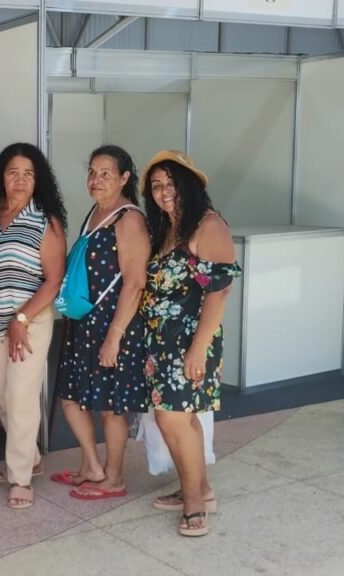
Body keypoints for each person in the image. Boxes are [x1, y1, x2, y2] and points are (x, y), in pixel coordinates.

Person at [0, 142, 67, 509]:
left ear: (38, 180)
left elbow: (53, 280)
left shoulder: (46, 221)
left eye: (28, 174)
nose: (20, 180)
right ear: (1, 177)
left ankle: (20, 478)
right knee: (4, 396)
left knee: (21, 396)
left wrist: (22, 319)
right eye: (13, 172)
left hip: (29, 322)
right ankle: (29, 458)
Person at [140, 150, 241, 537]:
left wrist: (198, 348)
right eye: (156, 185)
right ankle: (199, 490)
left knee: (171, 418)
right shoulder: (169, 229)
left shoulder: (207, 224)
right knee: (183, 418)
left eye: (171, 182)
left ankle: (194, 504)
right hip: (161, 343)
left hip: (190, 341)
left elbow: (220, 289)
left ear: (190, 185)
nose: (164, 191)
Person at [53, 145, 150, 500]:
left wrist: (115, 336)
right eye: (92, 172)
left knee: (110, 407)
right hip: (85, 323)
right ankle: (91, 467)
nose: (96, 180)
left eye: (105, 173)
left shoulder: (129, 219)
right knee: (71, 398)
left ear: (124, 178)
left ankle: (114, 477)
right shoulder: (97, 212)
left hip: (113, 326)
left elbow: (135, 283)